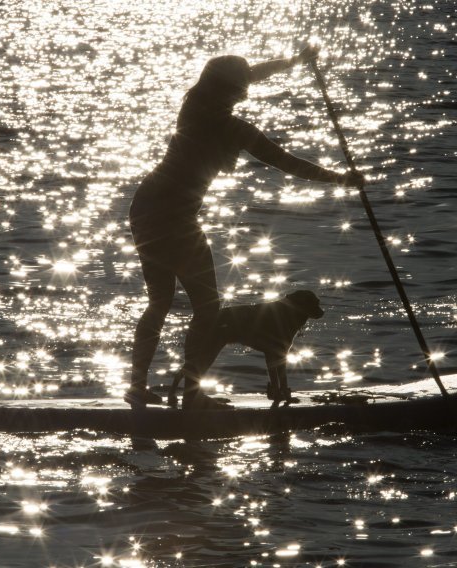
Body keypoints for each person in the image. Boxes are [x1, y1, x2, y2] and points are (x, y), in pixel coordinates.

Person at [127, 46, 364, 410]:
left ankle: (137, 386)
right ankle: (192, 395)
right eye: (242, 84)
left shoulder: (192, 107)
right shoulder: (234, 128)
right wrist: (339, 179)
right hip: (174, 218)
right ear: (234, 90)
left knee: (159, 301)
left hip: (145, 207)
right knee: (208, 309)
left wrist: (294, 63)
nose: (248, 86)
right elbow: (286, 162)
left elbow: (253, 73)